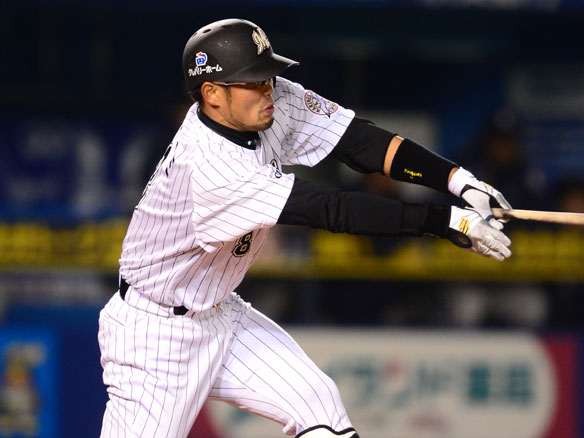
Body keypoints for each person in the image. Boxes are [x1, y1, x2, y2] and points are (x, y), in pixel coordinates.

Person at [97, 18, 512, 438]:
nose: (268, 89)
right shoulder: (208, 166)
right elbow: (330, 210)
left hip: (220, 312)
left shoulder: (266, 104)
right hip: (155, 336)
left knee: (319, 405)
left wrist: (458, 181)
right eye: (253, 81)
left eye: (268, 75)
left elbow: (358, 141)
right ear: (212, 94)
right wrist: (443, 220)